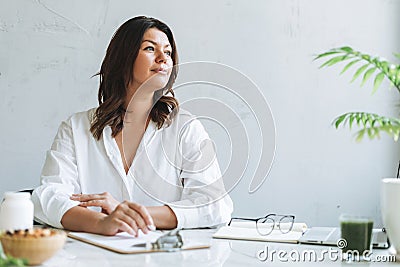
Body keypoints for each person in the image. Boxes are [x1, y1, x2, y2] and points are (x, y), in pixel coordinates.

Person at [32, 16, 233, 236]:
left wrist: (127, 213)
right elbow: (48, 197)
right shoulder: (75, 128)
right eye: (150, 48)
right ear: (123, 59)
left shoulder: (186, 128)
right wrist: (101, 223)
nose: (162, 58)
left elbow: (216, 205)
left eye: (167, 52)